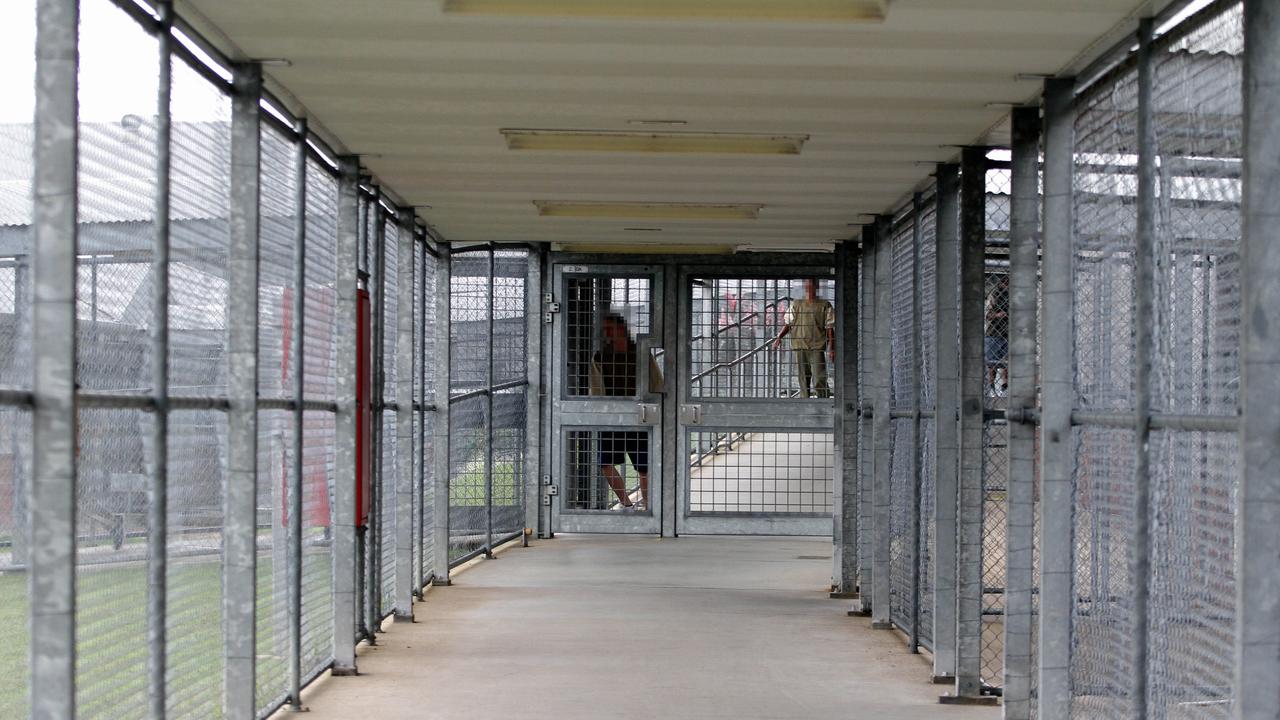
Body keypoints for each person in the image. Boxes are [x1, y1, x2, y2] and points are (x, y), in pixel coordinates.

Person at [589, 314, 659, 510]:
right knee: (605, 462)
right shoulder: (601, 355)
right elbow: (596, 388)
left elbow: (656, 380)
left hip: (640, 415)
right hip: (613, 417)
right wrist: (600, 412)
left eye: (612, 328)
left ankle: (648, 508)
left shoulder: (641, 353)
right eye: (606, 329)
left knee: (644, 467)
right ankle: (627, 504)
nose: (609, 333)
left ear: (622, 329)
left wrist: (656, 406)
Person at [771, 279, 835, 398]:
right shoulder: (796, 304)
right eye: (808, 284)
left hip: (817, 346)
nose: (810, 287)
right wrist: (779, 337)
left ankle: (823, 401)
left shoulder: (825, 305)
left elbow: (830, 328)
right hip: (800, 345)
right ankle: (804, 402)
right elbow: (788, 323)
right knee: (803, 379)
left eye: (813, 284)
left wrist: (832, 348)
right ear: (805, 287)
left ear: (817, 287)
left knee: (819, 378)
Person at [985, 274, 1010, 397]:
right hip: (994, 333)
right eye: (1005, 282)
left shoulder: (1012, 295)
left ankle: (1005, 387)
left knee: (1008, 362)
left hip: (1008, 334)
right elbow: (988, 315)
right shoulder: (994, 295)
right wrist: (998, 315)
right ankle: (992, 388)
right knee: (992, 363)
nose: (1007, 285)